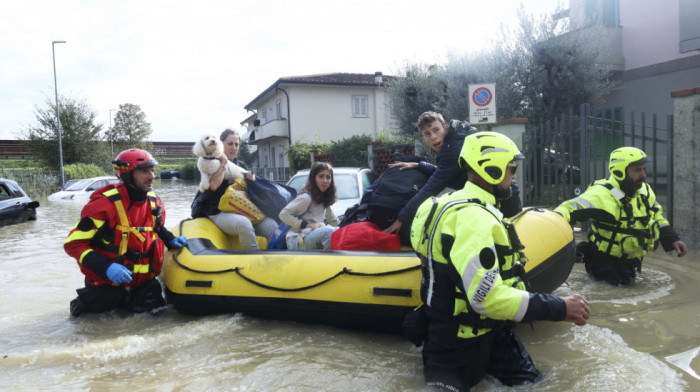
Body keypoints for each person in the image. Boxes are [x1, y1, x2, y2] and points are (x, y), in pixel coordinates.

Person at [410, 131, 590, 391]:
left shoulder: (438, 205)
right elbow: (485, 299)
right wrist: (559, 308)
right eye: (511, 169)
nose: (513, 176)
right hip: (457, 346)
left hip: (491, 334)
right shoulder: (475, 220)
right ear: (491, 170)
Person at [65, 149, 187, 317]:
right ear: (127, 174)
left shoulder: (155, 202)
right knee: (84, 321)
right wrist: (107, 267)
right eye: (144, 171)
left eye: (152, 170)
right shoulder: (104, 205)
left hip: (144, 288)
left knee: (161, 318)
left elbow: (156, 228)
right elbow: (74, 244)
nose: (152, 176)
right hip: (107, 286)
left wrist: (170, 239)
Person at [554, 146, 687, 285]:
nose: (644, 175)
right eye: (637, 170)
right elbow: (566, 209)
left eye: (643, 169)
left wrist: (672, 238)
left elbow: (656, 216)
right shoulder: (600, 195)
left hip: (631, 263)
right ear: (619, 171)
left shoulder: (644, 191)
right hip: (604, 266)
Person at [383, 111, 522, 238]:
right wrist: (419, 165)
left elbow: (431, 187)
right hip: (504, 197)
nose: (433, 136)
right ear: (423, 138)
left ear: (446, 128)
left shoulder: (452, 149)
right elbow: (445, 173)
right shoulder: (457, 139)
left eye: (436, 130)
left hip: (504, 203)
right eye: (427, 134)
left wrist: (401, 219)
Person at [199, 129, 278, 249]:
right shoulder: (210, 162)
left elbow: (248, 192)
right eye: (230, 144)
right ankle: (254, 260)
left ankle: (275, 259)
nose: (234, 148)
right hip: (219, 212)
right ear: (221, 144)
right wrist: (223, 164)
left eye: (236, 144)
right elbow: (213, 186)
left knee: (272, 225)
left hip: (242, 209)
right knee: (244, 223)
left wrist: (251, 180)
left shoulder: (241, 165)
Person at [279, 161, 339, 250]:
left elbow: (333, 221)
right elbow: (283, 214)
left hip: (309, 237)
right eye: (321, 176)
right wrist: (306, 225)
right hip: (296, 240)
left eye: (328, 177)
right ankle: (329, 262)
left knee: (338, 231)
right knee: (328, 231)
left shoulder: (324, 198)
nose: (325, 180)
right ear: (313, 178)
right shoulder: (306, 198)